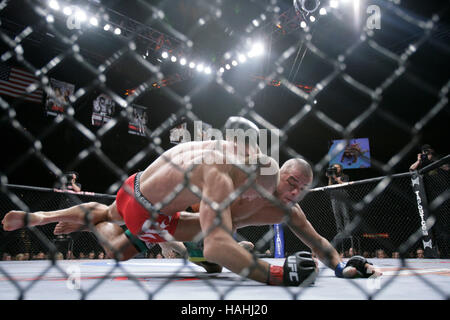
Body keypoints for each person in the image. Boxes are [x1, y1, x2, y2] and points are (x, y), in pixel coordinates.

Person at [2, 129, 381, 286]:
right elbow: (216, 243)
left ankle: (51, 216)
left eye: (302, 188)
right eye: (290, 182)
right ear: (272, 175)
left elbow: (313, 237)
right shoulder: (223, 171)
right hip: (145, 203)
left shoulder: (280, 203)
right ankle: (58, 217)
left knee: (118, 232)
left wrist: (340, 265)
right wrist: (278, 275)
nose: (295, 192)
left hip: (158, 205)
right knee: (120, 234)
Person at [326, 163, 352, 248]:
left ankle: (347, 231)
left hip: (342, 197)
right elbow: (329, 186)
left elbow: (343, 184)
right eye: (334, 167)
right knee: (337, 215)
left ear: (340, 168)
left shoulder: (345, 176)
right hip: (334, 197)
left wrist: (336, 179)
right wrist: (330, 178)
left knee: (345, 215)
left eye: (337, 167)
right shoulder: (332, 176)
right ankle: (340, 232)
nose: (335, 169)